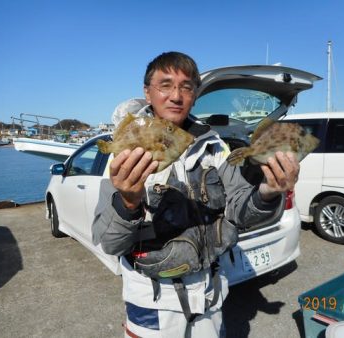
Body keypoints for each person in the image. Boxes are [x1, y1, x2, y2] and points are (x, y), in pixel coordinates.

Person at [92, 51, 299, 338]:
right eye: (165, 85)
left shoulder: (215, 147)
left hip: (210, 291)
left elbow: (240, 208)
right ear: (147, 92)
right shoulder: (127, 151)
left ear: (194, 95)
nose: (176, 96)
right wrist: (128, 202)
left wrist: (269, 191)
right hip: (153, 301)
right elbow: (110, 243)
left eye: (186, 87)